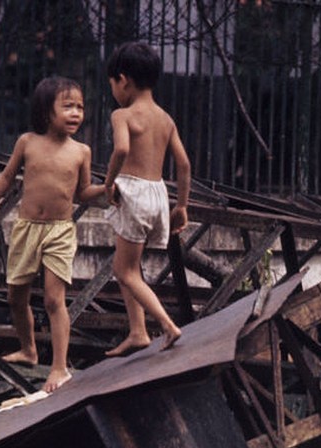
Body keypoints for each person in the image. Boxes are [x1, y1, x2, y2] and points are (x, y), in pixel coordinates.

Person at [0, 76, 103, 393]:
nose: (76, 113)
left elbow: (82, 193)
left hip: (59, 232)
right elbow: (7, 177)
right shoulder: (27, 142)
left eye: (80, 107)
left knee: (54, 300)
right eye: (68, 106)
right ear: (45, 110)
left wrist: (108, 190)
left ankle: (59, 368)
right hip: (27, 229)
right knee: (16, 296)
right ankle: (28, 350)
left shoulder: (81, 151)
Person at [102, 41, 188, 357]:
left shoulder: (122, 115)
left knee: (124, 271)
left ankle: (166, 325)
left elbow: (122, 149)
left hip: (133, 192)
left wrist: (109, 183)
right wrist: (182, 205)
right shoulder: (165, 119)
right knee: (129, 266)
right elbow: (184, 164)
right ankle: (138, 332)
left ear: (123, 80)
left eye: (112, 84)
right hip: (158, 193)